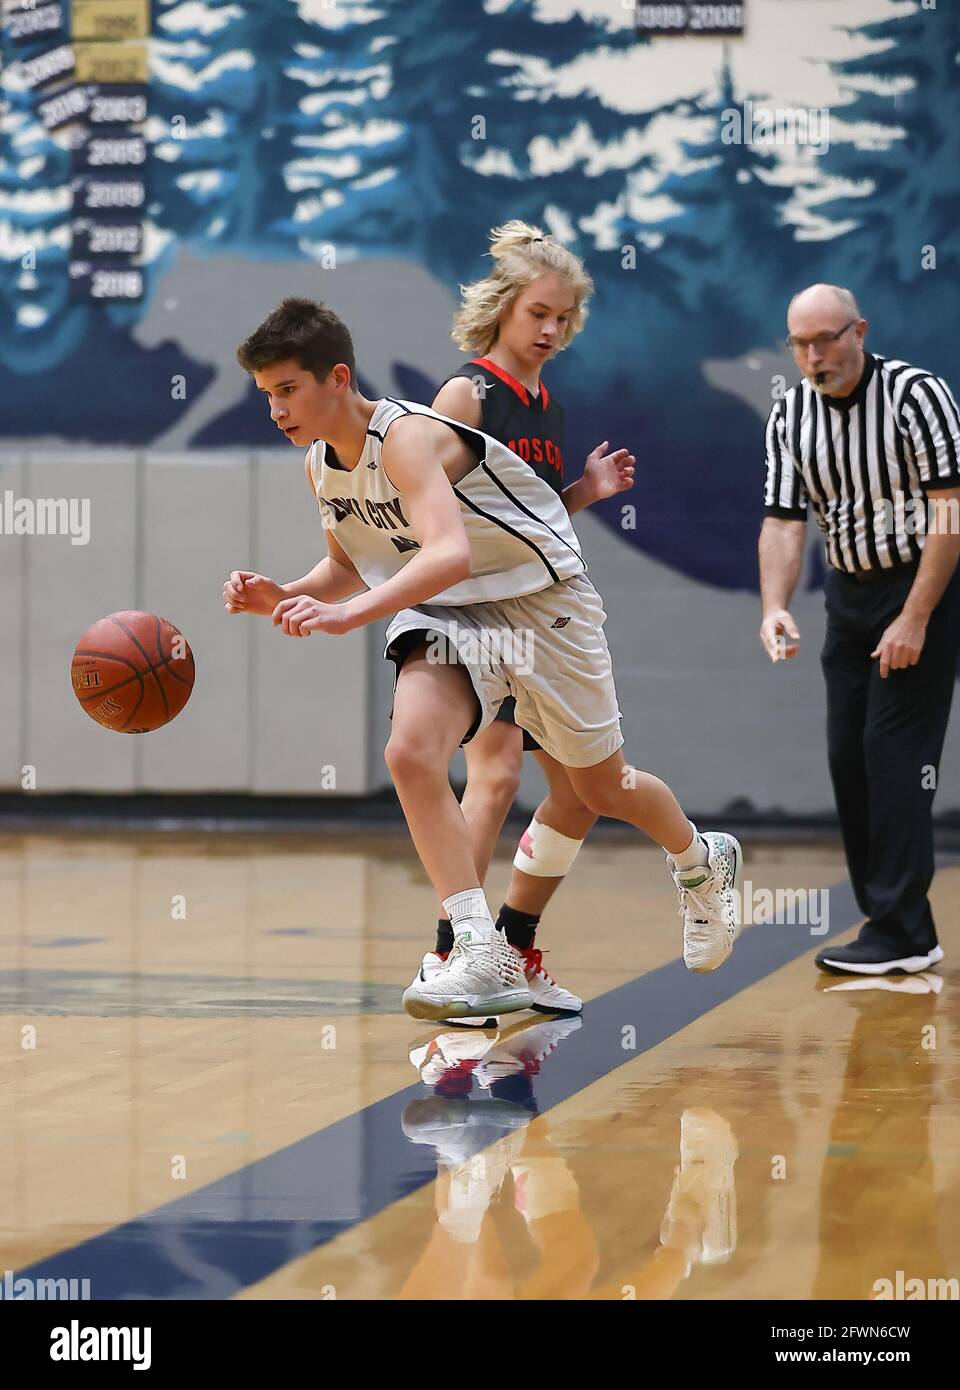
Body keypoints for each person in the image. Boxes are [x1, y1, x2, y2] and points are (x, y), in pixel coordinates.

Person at [225, 297, 743, 1022]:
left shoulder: (404, 437)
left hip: (541, 600)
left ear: (337, 377)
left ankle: (700, 861)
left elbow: (449, 551)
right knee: (410, 751)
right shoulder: (322, 464)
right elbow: (350, 565)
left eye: (287, 390)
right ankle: (477, 946)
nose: (276, 409)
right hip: (450, 611)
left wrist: (345, 615)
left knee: (602, 789)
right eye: (267, 395)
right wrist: (286, 592)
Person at [417, 221, 635, 1021]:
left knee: (581, 793)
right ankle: (450, 957)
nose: (550, 330)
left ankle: (513, 943)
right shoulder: (467, 395)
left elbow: (527, 525)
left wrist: (582, 493)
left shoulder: (547, 404)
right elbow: (431, 513)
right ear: (505, 308)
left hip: (541, 619)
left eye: (563, 320)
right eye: (539, 313)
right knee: (498, 776)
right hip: (480, 618)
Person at [759, 283, 960, 975]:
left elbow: (950, 509)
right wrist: (774, 604)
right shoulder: (789, 412)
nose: (815, 356)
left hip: (923, 581)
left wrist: (917, 615)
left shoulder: (915, 395)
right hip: (850, 593)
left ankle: (902, 931)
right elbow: (784, 520)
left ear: (859, 332)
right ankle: (894, 924)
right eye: (801, 344)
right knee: (849, 756)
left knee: (893, 753)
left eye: (827, 340)